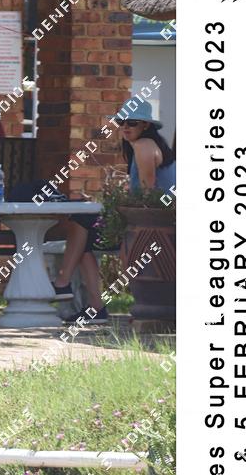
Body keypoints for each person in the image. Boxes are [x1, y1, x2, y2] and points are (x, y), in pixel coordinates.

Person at [50, 97, 175, 323]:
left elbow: (147, 195)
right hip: (149, 219)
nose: (125, 127)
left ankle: (63, 283)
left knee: (81, 223)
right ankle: (92, 306)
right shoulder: (140, 146)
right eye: (121, 122)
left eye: (132, 123)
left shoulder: (144, 146)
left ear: (146, 125)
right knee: (83, 235)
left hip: (153, 223)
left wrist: (115, 207)